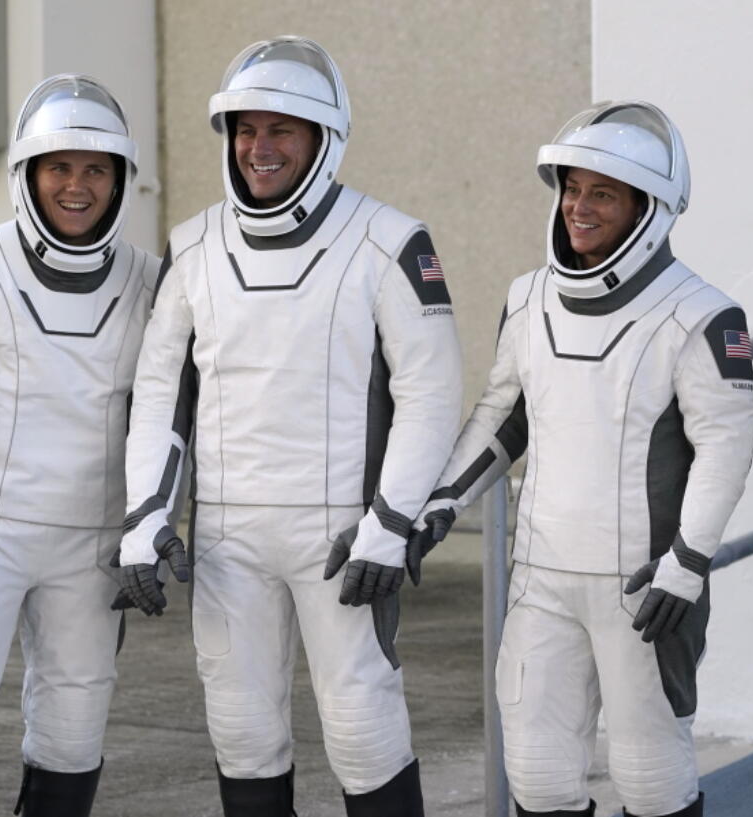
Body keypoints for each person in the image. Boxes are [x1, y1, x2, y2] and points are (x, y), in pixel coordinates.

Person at [114, 36, 462, 817]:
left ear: (323, 139)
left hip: (345, 539)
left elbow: (431, 393)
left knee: (365, 735)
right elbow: (159, 396)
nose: (259, 148)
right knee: (243, 737)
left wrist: (392, 520)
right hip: (229, 541)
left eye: (281, 130)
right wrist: (145, 518)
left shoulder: (391, 240)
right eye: (245, 129)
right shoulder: (193, 245)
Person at [408, 101, 753, 817]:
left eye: (603, 193)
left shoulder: (702, 314)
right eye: (572, 188)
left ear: (648, 208)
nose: (579, 206)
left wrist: (687, 564)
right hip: (542, 579)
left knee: (652, 779)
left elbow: (726, 448)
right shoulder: (528, 297)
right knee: (536, 776)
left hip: (646, 588)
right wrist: (439, 504)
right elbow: (504, 415)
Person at [0, 75, 159, 817]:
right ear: (27, 174)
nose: (77, 186)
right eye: (59, 167)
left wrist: (150, 523)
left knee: (73, 735)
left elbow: (169, 410)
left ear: (120, 179)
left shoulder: (150, 281)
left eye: (96, 168)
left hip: (93, 546)